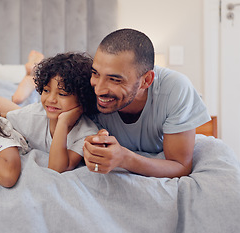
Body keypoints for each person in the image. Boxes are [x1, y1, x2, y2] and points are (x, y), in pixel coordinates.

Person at [83, 28, 211, 178]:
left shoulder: (175, 88)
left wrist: (125, 158)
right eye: (96, 73)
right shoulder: (83, 86)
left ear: (146, 80)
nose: (98, 89)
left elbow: (180, 166)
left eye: (115, 80)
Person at [0, 52, 99, 173]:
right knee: (17, 99)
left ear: (82, 98)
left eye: (62, 94)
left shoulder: (86, 133)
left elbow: (57, 168)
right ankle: (29, 75)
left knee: (20, 101)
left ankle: (30, 76)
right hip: (31, 109)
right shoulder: (32, 115)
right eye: (46, 90)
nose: (51, 99)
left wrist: (63, 123)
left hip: (36, 110)